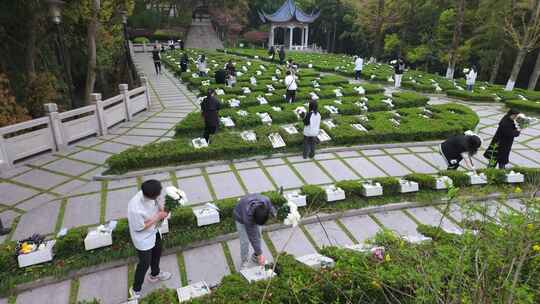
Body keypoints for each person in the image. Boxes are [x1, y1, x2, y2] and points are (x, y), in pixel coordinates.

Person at [128, 180, 172, 299]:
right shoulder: (135, 208)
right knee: (144, 263)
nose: (159, 196)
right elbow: (139, 227)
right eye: (158, 194)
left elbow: (157, 201)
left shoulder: (149, 194)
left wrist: (162, 209)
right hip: (143, 238)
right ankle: (135, 289)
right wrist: (158, 216)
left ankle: (155, 274)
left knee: (157, 252)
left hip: (154, 231)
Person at [233, 193, 276, 269]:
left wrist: (275, 213)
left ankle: (255, 256)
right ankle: (244, 263)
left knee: (259, 235)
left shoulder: (265, 201)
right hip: (240, 217)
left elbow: (271, 208)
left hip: (251, 211)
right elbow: (253, 237)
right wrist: (260, 254)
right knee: (245, 241)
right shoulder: (247, 217)